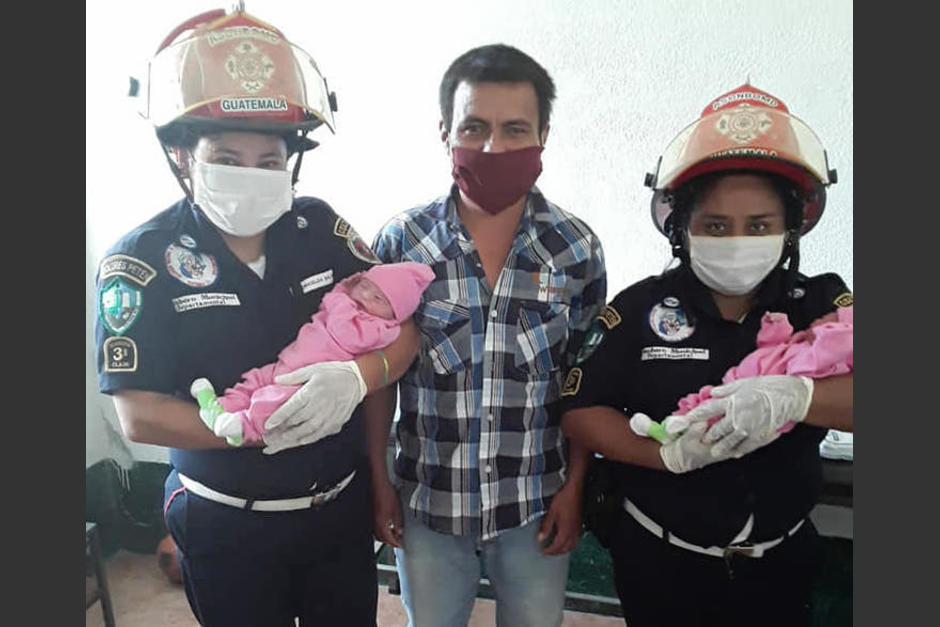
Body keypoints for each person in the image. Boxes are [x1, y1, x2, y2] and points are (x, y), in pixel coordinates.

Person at [93, 6, 419, 626]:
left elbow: (401, 330)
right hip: (225, 524)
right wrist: (251, 427)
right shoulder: (139, 260)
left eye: (269, 161)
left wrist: (360, 378)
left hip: (337, 515)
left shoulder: (321, 228)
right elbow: (137, 414)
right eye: (226, 157)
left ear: (292, 161)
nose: (252, 176)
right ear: (183, 154)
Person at [560, 83, 853, 627]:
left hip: (780, 570)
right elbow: (581, 410)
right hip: (661, 566)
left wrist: (798, 395)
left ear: (791, 230)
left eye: (760, 226)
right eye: (716, 226)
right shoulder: (640, 307)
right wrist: (664, 456)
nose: (738, 240)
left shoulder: (821, 304)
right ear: (681, 228)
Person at [369, 44, 607, 626]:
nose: (493, 147)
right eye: (474, 128)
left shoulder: (575, 248)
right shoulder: (402, 243)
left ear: (544, 135)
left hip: (536, 504)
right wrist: (379, 479)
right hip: (428, 502)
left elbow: (587, 382)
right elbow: (378, 377)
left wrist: (576, 488)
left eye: (514, 129)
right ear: (445, 131)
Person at [191, 261, 434, 446]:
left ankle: (244, 427)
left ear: (395, 315)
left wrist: (343, 297)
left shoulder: (379, 329)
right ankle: (220, 407)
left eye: (378, 297)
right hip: (287, 362)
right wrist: (347, 289)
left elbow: (342, 328)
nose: (365, 295)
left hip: (307, 380)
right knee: (254, 381)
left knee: (273, 402)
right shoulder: (350, 303)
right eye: (364, 285)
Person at [631, 305, 853, 444]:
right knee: (701, 402)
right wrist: (775, 327)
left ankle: (673, 431)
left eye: (829, 318)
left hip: (754, 402)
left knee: (714, 422)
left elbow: (795, 372)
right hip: (737, 381)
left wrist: (827, 336)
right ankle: (670, 426)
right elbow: (770, 348)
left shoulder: (819, 359)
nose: (819, 318)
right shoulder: (799, 343)